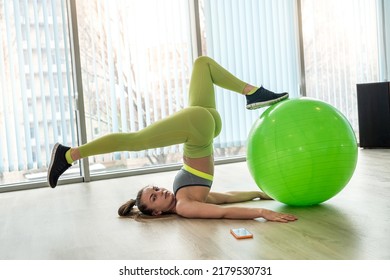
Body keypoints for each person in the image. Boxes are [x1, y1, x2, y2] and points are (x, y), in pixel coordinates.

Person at [48, 56, 297, 223]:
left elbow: (223, 204)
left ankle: (253, 93)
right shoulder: (186, 206)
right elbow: (224, 205)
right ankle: (69, 155)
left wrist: (259, 199)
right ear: (157, 212)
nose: (160, 192)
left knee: (203, 63)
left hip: (200, 126)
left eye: (155, 189)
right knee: (134, 140)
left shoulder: (183, 198)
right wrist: (261, 204)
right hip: (204, 127)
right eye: (155, 197)